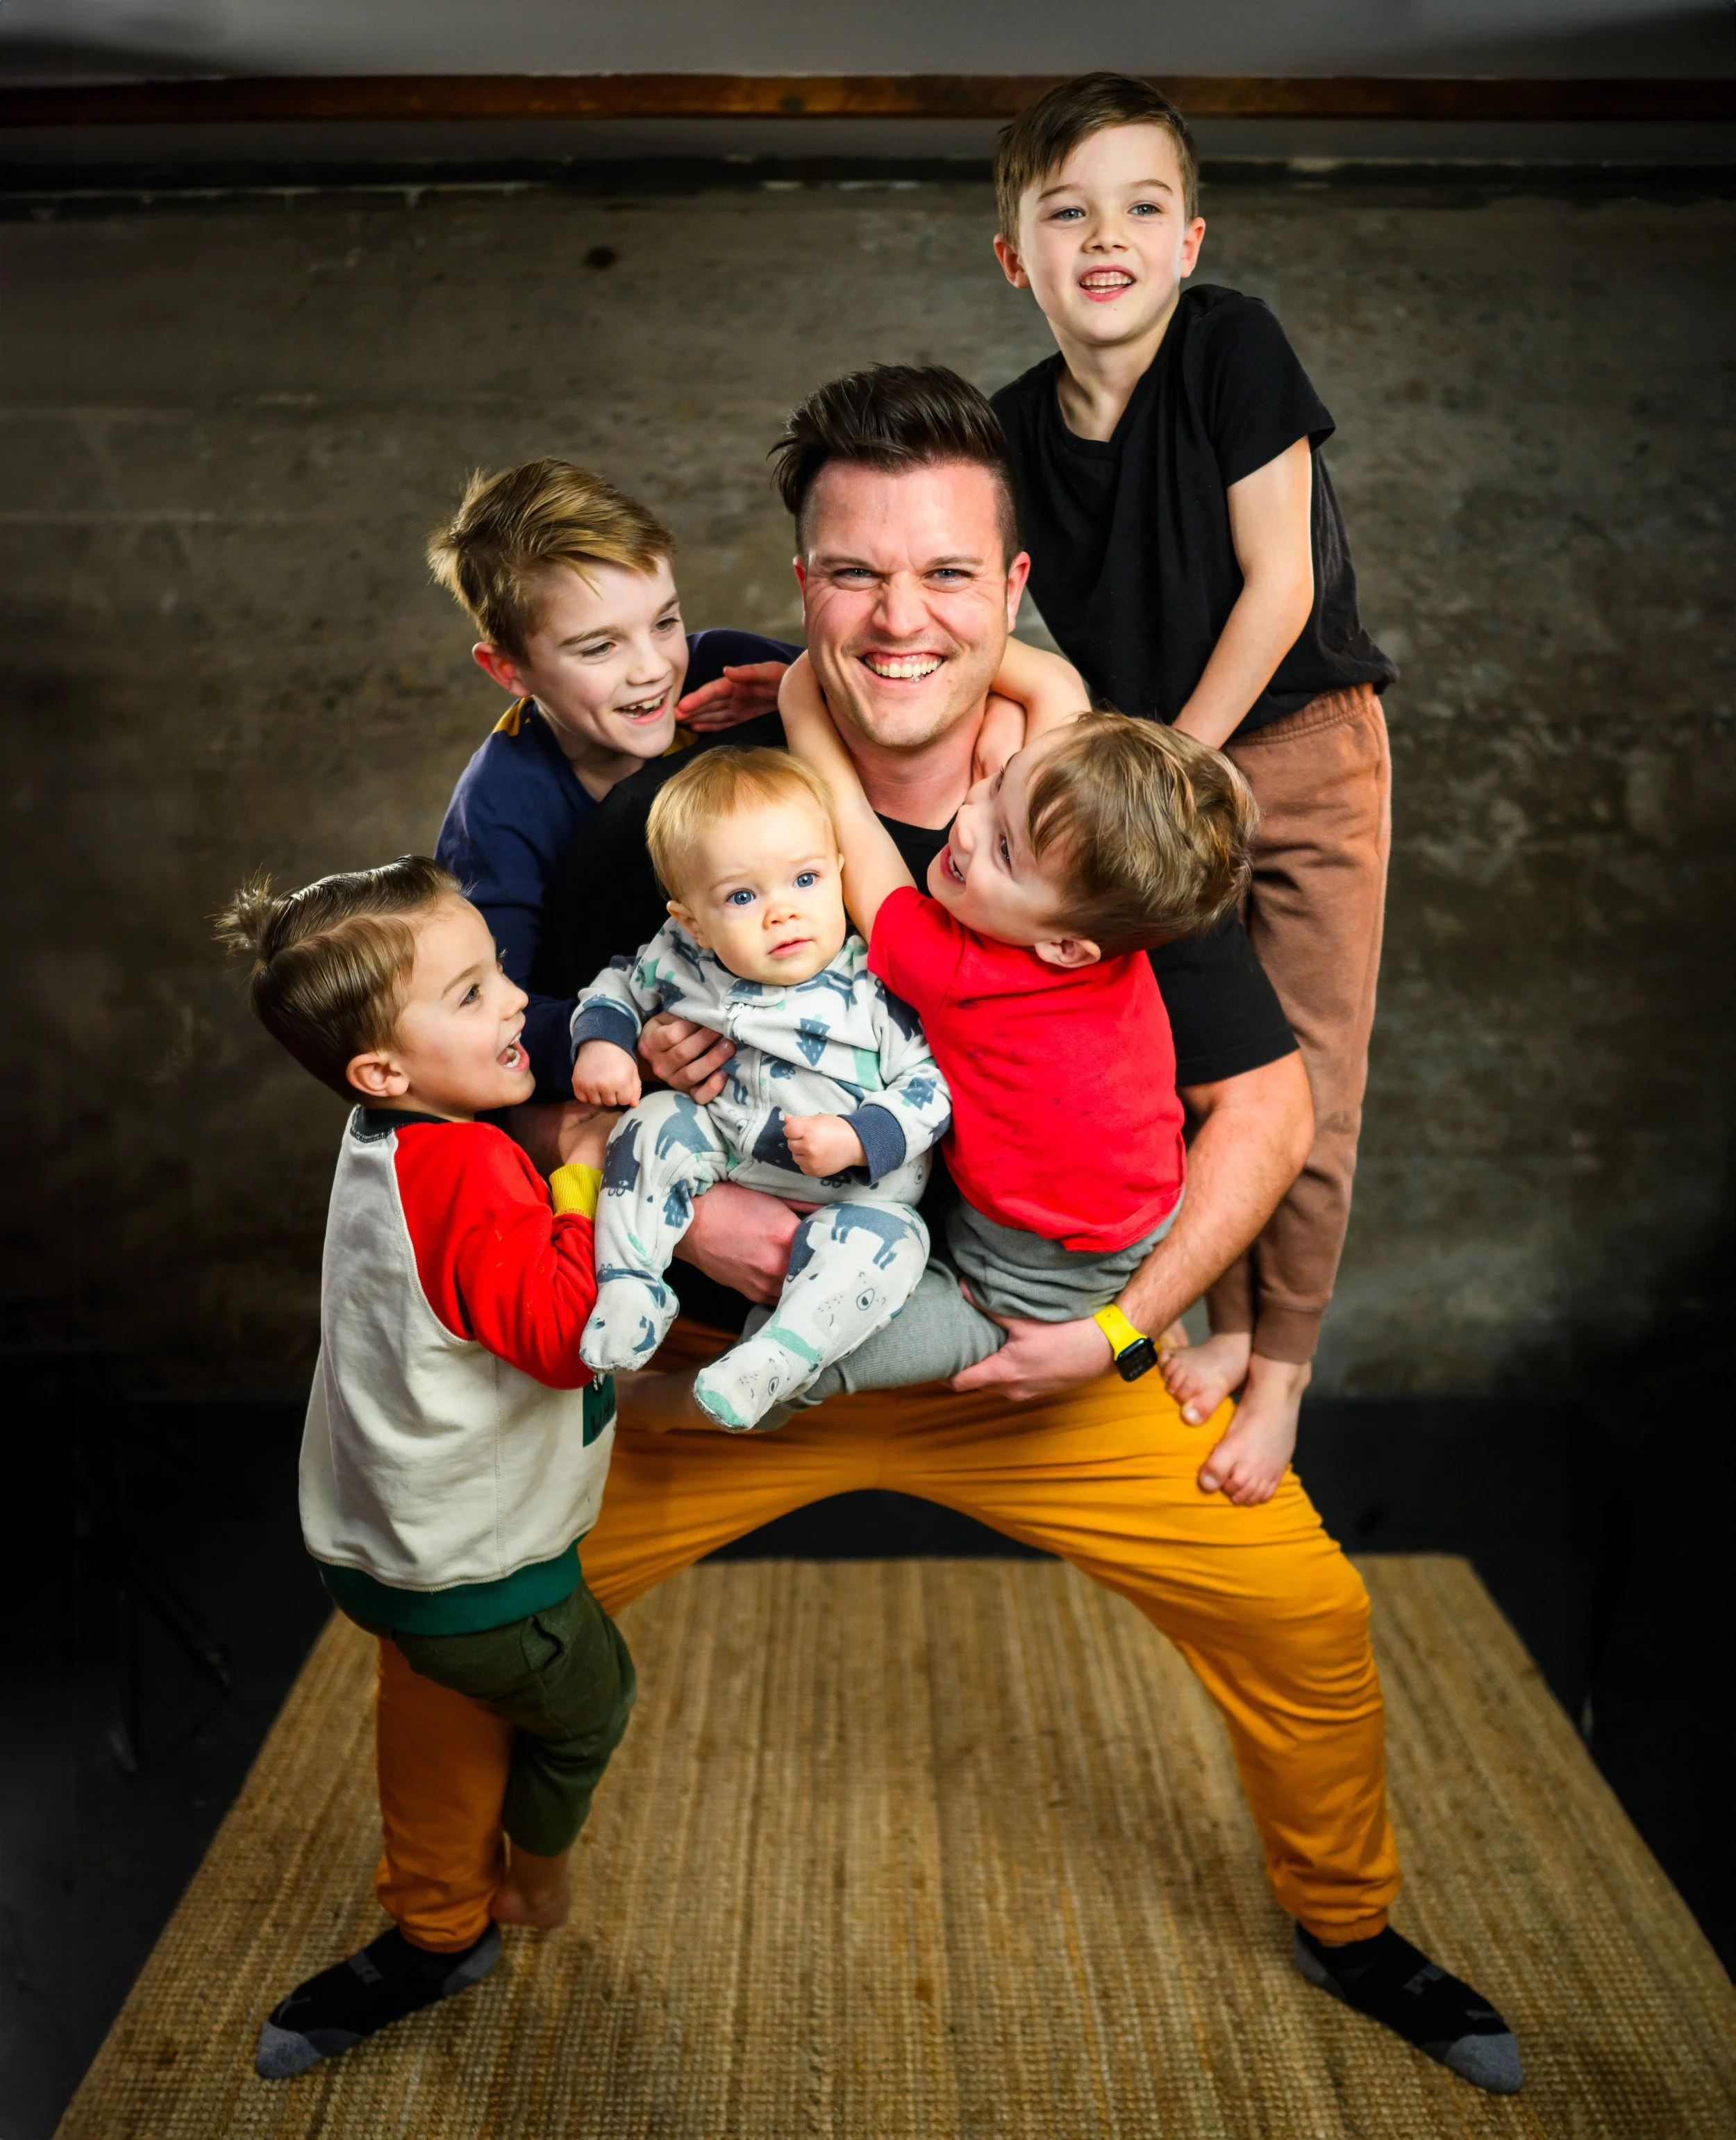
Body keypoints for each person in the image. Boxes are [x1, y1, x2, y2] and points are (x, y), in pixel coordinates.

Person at [383, 367, 1521, 2093]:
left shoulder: (1088, 812)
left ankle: (1348, 1924)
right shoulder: (676, 815)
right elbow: (496, 1091)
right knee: (465, 1604)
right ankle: (429, 1925)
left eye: (943, 574)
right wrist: (677, 1192)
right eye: (853, 572)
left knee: (1301, 1611)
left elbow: (1264, 1110)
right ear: (801, 582)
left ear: (1011, 589)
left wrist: (1120, 1328)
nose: (898, 616)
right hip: (727, 1360)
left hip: (1029, 1352)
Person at [989, 74, 1398, 1494]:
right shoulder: (1011, 432)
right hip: (1155, 779)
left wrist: (1174, 764)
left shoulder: (1232, 347)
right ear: (1015, 257)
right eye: (1067, 213)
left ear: (1189, 240)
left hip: (1297, 744)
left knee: (1313, 1075)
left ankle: (1279, 1369)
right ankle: (1220, 1322)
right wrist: (789, 668)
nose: (1107, 236)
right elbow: (961, 603)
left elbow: (1279, 587)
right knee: (1193, 1071)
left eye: (1141, 207)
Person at [215, 857, 635, 2078]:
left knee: (445, 1710)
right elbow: (562, 1335)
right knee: (592, 1702)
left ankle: (442, 1920)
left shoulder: (386, 1143)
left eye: (496, 971)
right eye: (470, 993)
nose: (516, 1002)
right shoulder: (471, 1169)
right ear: (383, 1070)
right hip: (484, 1571)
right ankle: (532, 1884)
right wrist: (582, 1171)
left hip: (385, 1545)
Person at [756, 658, 1255, 1415]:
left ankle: (665, 1406)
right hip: (1141, 1200)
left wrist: (802, 694)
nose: (966, 823)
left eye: (1002, 849)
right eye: (995, 786)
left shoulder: (965, 972)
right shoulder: (1095, 913)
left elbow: (849, 819)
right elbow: (1055, 689)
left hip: (1030, 1275)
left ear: (1066, 948)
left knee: (805, 1354)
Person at [571, 746, 951, 1428]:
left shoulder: (871, 983)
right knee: (651, 1122)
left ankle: (775, 1357)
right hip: (725, 1147)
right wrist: (603, 1042)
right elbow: (616, 985)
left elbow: (931, 1084)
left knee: (894, 1249)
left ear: (840, 872)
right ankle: (629, 1284)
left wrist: (858, 1137)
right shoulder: (684, 959)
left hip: (858, 1195)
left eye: (805, 879)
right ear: (692, 920)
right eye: (742, 897)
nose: (782, 913)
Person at [428, 458, 800, 1098]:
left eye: (664, 623)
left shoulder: (736, 673)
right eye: (600, 647)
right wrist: (622, 1043)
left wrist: (809, 698)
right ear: (509, 670)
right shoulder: (496, 812)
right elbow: (487, 1015)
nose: (652, 668)